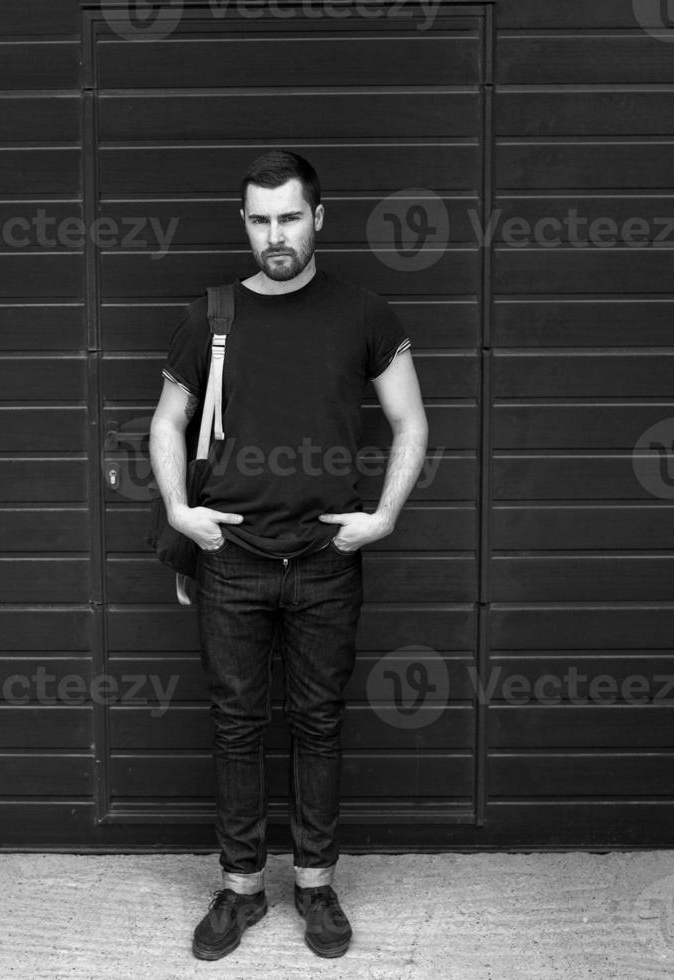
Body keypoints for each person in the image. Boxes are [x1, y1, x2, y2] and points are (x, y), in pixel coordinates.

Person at [148, 149, 428, 960]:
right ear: (245, 223)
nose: (275, 235)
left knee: (317, 723)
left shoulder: (365, 313)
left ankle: (314, 883)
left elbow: (410, 424)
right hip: (231, 556)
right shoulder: (209, 315)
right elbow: (167, 422)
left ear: (318, 218)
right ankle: (239, 890)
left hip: (324, 557)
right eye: (260, 220)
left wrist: (380, 518)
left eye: (289, 218)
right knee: (235, 726)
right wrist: (179, 511)